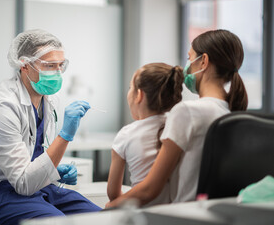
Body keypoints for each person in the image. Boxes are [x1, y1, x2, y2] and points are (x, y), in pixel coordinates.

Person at [0, 29, 101, 225]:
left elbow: (31, 156)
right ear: (25, 65)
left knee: (96, 217)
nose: (58, 73)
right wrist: (65, 135)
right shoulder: (0, 106)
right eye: (50, 66)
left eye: (61, 66)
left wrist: (54, 169)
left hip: (27, 185)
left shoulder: (48, 101)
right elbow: (24, 183)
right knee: (56, 222)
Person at [106, 29, 248, 208]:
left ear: (203, 61)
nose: (187, 66)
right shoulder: (232, 113)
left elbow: (150, 189)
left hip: (182, 214)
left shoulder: (187, 112)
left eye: (190, 58)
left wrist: (110, 208)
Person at [107, 63, 183, 205]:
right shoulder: (179, 127)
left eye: (131, 87)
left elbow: (113, 194)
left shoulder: (126, 134)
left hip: (142, 213)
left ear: (139, 95)